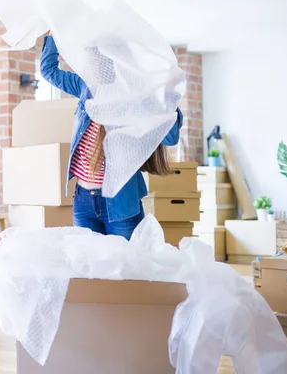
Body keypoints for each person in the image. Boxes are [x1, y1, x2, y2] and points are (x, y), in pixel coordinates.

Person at [40, 33, 183, 239]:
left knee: (126, 267)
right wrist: (54, 34)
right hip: (83, 200)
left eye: (93, 61)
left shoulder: (136, 97)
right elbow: (49, 70)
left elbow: (171, 137)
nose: (88, 67)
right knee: (90, 267)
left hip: (120, 202)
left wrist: (166, 95)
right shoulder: (85, 87)